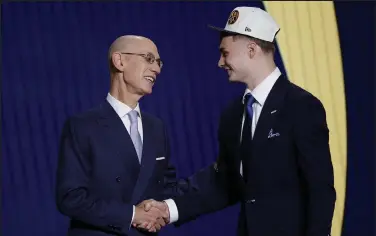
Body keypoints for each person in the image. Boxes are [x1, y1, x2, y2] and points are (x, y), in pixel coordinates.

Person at [139, 6, 336, 236]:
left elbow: (320, 190)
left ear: (252, 50)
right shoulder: (233, 115)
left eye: (225, 53)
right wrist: (167, 209)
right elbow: (224, 182)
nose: (220, 63)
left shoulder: (301, 107)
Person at [56, 35, 188, 235]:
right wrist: (131, 214)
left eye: (159, 63)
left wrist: (163, 210)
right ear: (120, 61)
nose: (157, 69)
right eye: (149, 59)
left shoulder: (156, 127)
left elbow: (166, 186)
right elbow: (70, 197)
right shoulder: (82, 126)